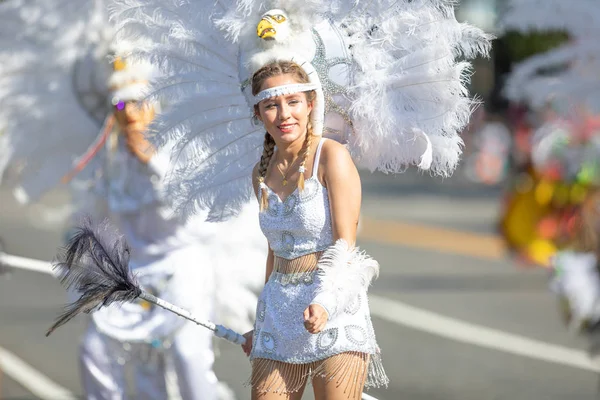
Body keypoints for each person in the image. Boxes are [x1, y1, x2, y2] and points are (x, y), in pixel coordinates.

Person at [238, 60, 386, 399]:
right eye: (271, 105)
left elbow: (345, 245)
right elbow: (275, 251)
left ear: (310, 105)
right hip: (279, 312)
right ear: (259, 113)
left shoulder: (331, 156)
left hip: (332, 307)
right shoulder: (259, 174)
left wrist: (325, 302)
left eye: (292, 102)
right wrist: (261, 323)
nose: (284, 114)